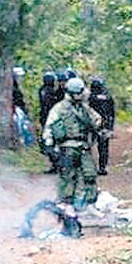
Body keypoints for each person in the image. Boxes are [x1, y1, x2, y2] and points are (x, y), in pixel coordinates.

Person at [42, 77, 102, 209]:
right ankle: (65, 204)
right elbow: (49, 126)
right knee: (67, 176)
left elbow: (97, 119)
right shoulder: (59, 108)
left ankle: (88, 204)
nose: (81, 95)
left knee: (89, 174)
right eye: (79, 93)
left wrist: (94, 126)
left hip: (83, 146)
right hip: (67, 147)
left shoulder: (83, 108)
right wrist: (49, 146)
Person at [87, 75, 116, 175]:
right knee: (103, 147)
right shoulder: (107, 96)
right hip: (104, 125)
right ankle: (102, 167)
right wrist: (110, 127)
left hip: (92, 124)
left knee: (87, 146)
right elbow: (112, 113)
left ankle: (90, 167)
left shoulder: (90, 97)